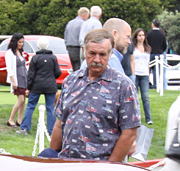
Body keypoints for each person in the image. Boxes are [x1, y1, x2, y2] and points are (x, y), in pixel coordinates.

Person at [50, 28, 140, 161]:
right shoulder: (71, 81)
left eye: (102, 54)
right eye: (92, 53)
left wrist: (109, 167)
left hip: (100, 169)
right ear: (83, 51)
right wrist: (51, 156)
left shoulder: (123, 86)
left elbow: (130, 134)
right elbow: (60, 123)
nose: (97, 59)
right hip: (67, 164)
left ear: (110, 54)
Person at [19, 36, 60, 135]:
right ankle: (52, 130)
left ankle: (24, 128)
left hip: (36, 85)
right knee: (50, 108)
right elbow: (57, 72)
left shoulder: (35, 58)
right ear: (48, 46)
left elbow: (31, 74)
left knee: (30, 106)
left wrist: (28, 87)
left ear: (38, 46)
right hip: (50, 85)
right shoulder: (53, 58)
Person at [4, 33, 27, 127]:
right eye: (20, 42)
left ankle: (20, 120)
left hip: (24, 77)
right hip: (17, 78)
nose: (21, 44)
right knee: (20, 99)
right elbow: (9, 68)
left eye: (22, 42)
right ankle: (11, 119)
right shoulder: (9, 53)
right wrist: (13, 81)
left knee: (23, 101)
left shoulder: (21, 53)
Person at [131, 28, 152, 124]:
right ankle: (136, 116)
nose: (141, 37)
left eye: (143, 35)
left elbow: (147, 62)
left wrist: (148, 73)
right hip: (136, 73)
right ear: (136, 36)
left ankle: (148, 118)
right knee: (134, 97)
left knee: (145, 97)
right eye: (139, 35)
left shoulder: (147, 48)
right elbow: (132, 61)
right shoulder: (133, 47)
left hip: (144, 74)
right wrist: (133, 73)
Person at [146, 19, 167, 91]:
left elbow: (146, 44)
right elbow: (165, 45)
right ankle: (155, 85)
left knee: (147, 70)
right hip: (159, 54)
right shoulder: (162, 34)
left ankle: (147, 83)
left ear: (153, 24)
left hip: (150, 54)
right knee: (156, 71)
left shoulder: (148, 34)